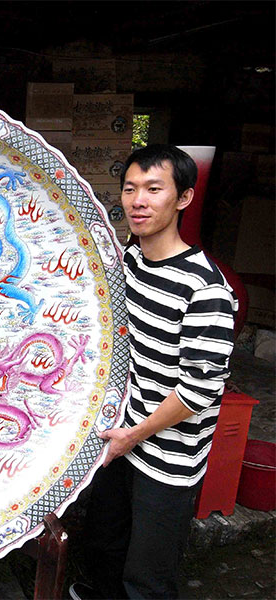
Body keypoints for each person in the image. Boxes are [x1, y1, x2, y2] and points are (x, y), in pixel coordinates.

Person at [70, 145, 238, 599]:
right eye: (130, 189)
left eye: (153, 189)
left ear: (183, 198)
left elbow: (198, 392)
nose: (138, 201)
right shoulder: (129, 260)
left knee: (147, 577)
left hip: (167, 457)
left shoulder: (205, 290)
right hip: (122, 435)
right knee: (104, 550)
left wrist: (135, 434)